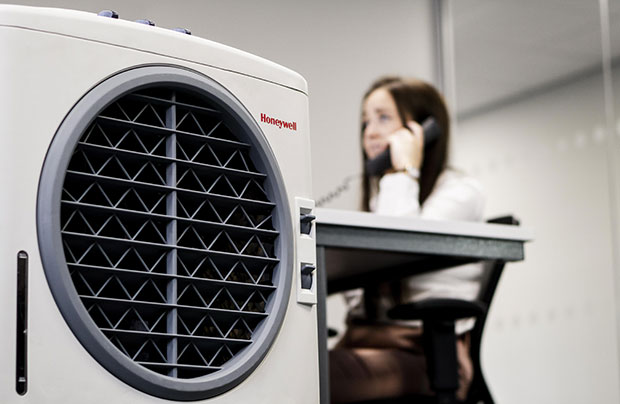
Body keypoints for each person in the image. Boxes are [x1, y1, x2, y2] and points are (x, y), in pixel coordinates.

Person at [329, 77, 485, 403]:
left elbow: (398, 248)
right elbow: (359, 300)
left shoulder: (460, 192)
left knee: (312, 377)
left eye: (383, 118)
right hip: (373, 345)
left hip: (432, 356)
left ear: (424, 130)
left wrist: (403, 172)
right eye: (365, 122)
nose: (370, 132)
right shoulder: (385, 198)